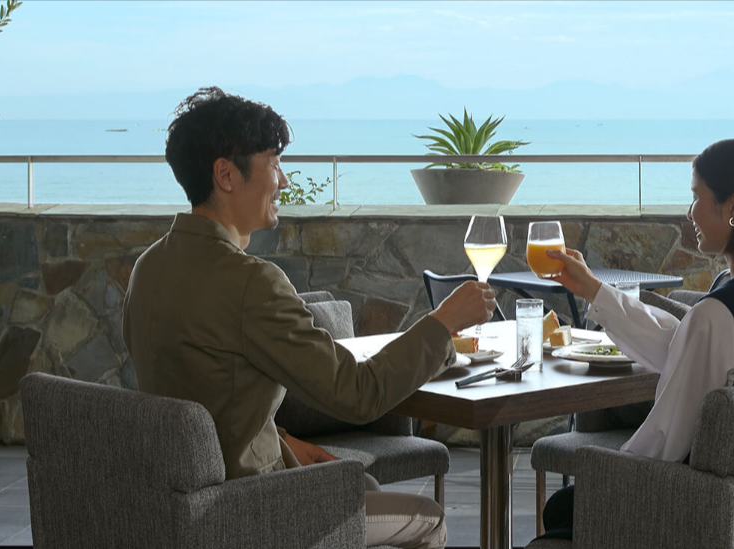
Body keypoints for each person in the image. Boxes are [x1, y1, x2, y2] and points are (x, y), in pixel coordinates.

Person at [122, 87, 498, 549]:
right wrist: (443, 322)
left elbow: (206, 396)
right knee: (428, 519)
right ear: (226, 175)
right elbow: (358, 394)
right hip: (242, 509)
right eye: (274, 163)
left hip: (178, 503)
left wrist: (284, 443)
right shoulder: (249, 283)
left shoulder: (148, 267)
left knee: (362, 486)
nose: (283, 180)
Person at [537, 137, 734, 540]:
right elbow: (683, 346)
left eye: (696, 196)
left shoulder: (719, 314)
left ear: (733, 207)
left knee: (562, 506)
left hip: (692, 511)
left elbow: (664, 440)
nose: (689, 213)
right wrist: (592, 289)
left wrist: (606, 472)